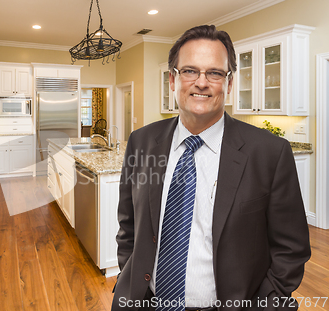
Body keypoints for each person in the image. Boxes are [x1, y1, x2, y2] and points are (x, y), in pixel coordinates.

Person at [112, 25, 310, 311]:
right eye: (190, 71)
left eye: (215, 73)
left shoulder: (269, 152)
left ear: (229, 84)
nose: (201, 83)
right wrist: (127, 278)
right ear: (173, 79)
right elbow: (128, 224)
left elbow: (291, 249)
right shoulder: (142, 142)